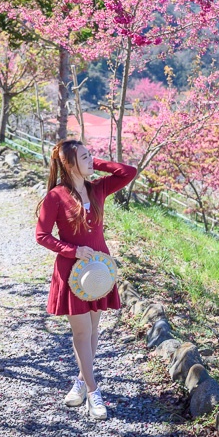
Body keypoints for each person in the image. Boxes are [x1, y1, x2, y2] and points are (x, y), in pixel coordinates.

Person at [35, 140, 137, 420]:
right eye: (84, 156)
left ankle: (81, 381)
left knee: (93, 330)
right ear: (69, 164)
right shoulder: (55, 196)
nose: (91, 159)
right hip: (72, 273)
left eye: (91, 155)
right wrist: (73, 250)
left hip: (99, 271)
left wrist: (94, 164)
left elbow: (128, 171)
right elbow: (41, 236)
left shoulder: (98, 188)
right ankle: (93, 392)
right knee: (81, 333)